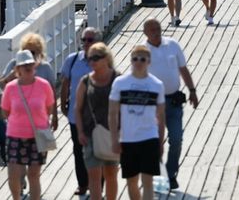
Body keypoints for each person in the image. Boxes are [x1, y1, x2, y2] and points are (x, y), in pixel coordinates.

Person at [143, 18, 199, 192]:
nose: (155, 32)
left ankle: (171, 173)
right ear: (145, 33)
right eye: (151, 29)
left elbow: (183, 69)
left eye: (157, 28)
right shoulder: (142, 51)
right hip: (152, 104)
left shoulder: (172, 45)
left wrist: (192, 90)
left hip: (173, 100)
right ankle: (156, 176)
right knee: (154, 142)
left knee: (176, 139)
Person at [109, 44, 165, 200]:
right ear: (131, 61)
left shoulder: (157, 85)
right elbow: (112, 113)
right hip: (128, 138)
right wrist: (114, 139)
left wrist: (160, 142)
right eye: (135, 59)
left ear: (149, 61)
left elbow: (161, 116)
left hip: (149, 137)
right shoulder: (120, 83)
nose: (138, 62)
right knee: (131, 182)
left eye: (142, 59)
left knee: (148, 182)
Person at [1, 49, 56, 200]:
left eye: (31, 64)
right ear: (17, 69)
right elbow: (5, 111)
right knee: (13, 175)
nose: (28, 67)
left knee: (34, 176)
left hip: (37, 136)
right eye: (24, 65)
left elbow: (49, 107)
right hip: (15, 135)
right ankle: (16, 198)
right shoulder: (11, 87)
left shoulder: (44, 85)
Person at [59, 27, 102, 197]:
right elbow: (65, 83)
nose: (85, 43)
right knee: (79, 150)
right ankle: (83, 184)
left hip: (98, 115)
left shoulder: (104, 60)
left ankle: (98, 185)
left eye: (89, 40)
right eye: (83, 40)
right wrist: (62, 104)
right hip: (76, 114)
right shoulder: (73, 59)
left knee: (98, 150)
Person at [76, 41, 120, 200]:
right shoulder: (85, 81)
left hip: (112, 133)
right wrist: (80, 131)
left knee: (110, 174)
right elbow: (78, 108)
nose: (92, 61)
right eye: (90, 58)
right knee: (94, 176)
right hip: (90, 134)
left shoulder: (118, 79)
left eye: (96, 58)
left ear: (106, 58)